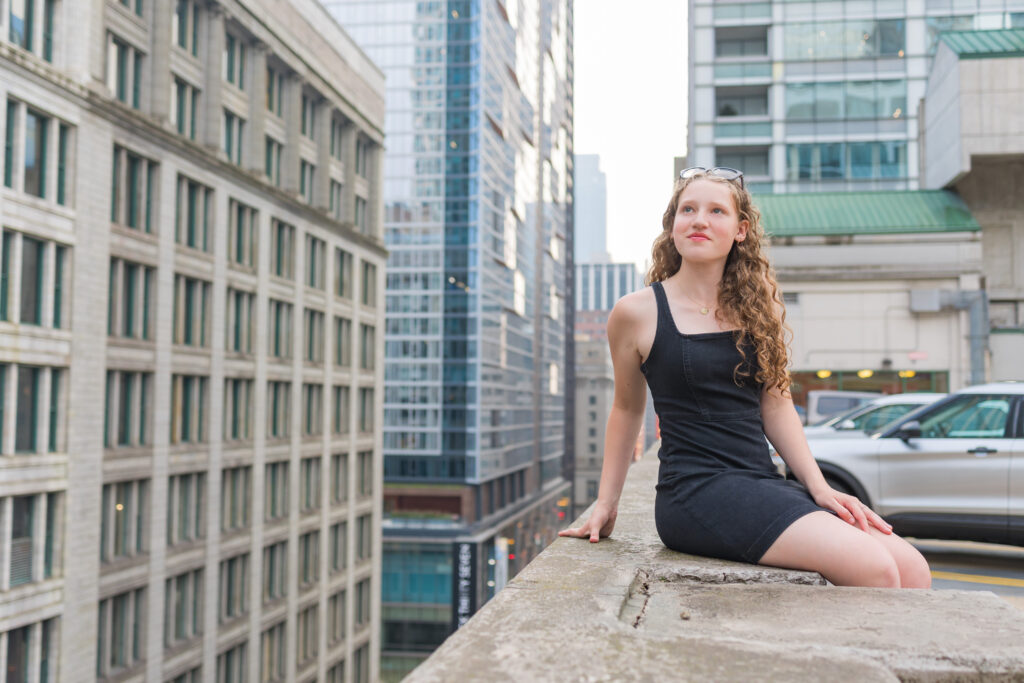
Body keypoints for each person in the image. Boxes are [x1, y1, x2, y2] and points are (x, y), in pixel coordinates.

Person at [559, 167, 931, 588]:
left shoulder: (760, 305)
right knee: (875, 568)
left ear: (741, 229)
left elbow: (777, 403)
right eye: (688, 210)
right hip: (695, 492)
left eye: (717, 210)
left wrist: (818, 487)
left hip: (762, 481)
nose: (699, 219)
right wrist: (606, 503)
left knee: (913, 568)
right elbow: (626, 410)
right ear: (672, 226)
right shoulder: (636, 312)